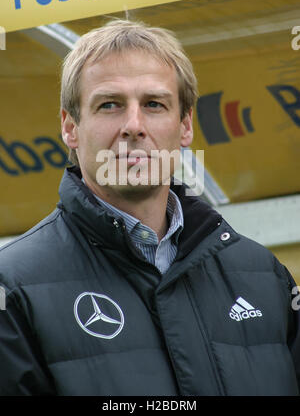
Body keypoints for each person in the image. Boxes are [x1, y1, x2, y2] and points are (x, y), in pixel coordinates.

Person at [0, 19, 299, 396]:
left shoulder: (265, 277)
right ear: (70, 126)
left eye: (154, 104)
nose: (134, 125)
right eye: (110, 104)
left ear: (185, 125)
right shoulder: (11, 289)